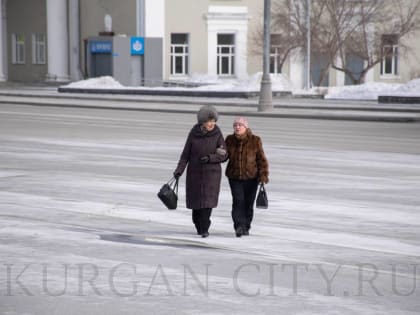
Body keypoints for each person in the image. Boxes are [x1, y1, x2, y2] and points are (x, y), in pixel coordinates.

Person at [173, 105, 227, 238]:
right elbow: (185, 155)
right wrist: (179, 170)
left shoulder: (217, 134)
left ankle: (205, 228)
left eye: (213, 121)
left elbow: (224, 154)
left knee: (207, 204)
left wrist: (211, 158)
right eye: (209, 121)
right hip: (195, 174)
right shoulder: (193, 134)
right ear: (202, 121)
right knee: (196, 206)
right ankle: (198, 225)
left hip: (211, 175)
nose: (211, 124)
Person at [225, 117, 269, 237]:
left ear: (246, 127)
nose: (237, 127)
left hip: (252, 178)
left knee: (248, 204)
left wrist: (263, 175)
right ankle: (239, 226)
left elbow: (261, 159)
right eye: (235, 125)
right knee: (238, 201)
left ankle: (246, 226)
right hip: (234, 177)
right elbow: (224, 157)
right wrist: (219, 154)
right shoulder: (229, 140)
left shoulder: (255, 140)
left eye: (240, 125)